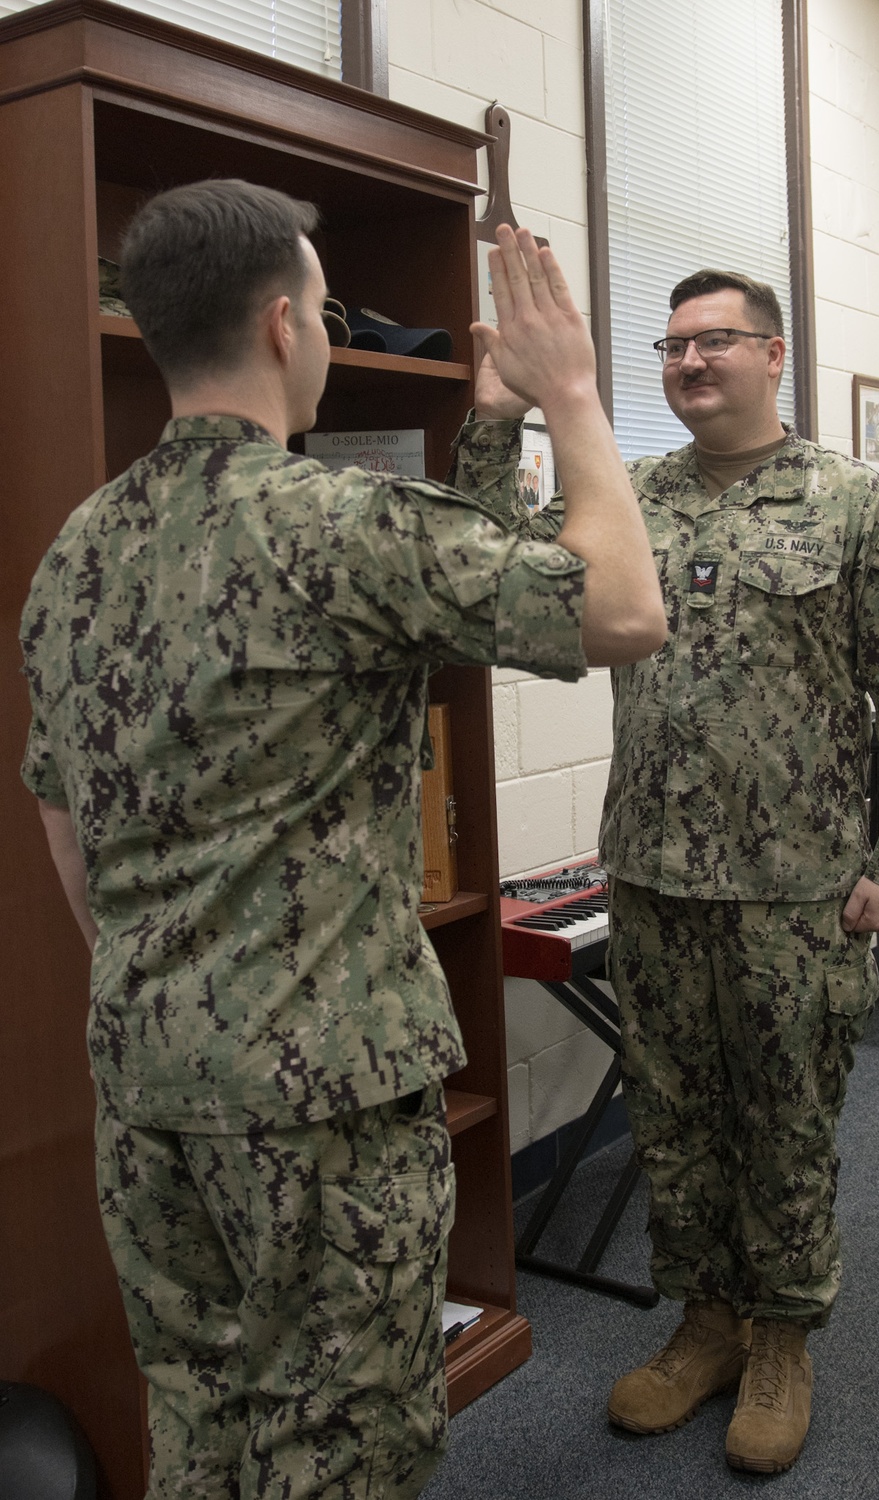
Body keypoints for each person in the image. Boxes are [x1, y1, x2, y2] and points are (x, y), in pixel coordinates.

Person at [19, 179, 665, 1500]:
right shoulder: (332, 524)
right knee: (344, 1450)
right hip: (325, 1104)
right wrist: (574, 399)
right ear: (279, 326)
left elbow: (60, 820)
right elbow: (624, 608)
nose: (323, 334)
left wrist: (483, 435)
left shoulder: (77, 550)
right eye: (323, 309)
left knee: (199, 1419)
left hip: (148, 1086)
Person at [452, 267, 879, 1474]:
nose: (688, 363)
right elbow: (493, 562)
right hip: (651, 876)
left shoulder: (857, 508)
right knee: (673, 1121)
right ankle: (705, 1324)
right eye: (671, 346)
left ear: (775, 355)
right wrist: (493, 419)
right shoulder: (625, 497)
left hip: (798, 890)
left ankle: (783, 1335)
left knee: (785, 1123)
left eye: (715, 342)